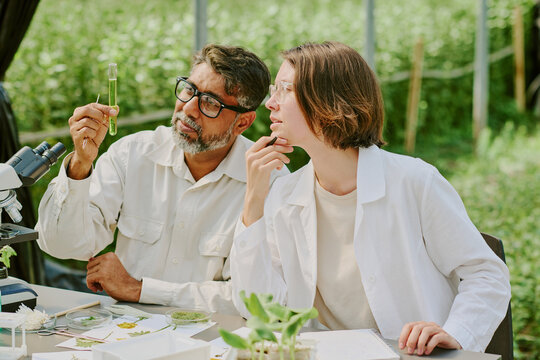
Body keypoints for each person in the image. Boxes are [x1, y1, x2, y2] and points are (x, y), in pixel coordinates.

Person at [230, 41, 511, 354]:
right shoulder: (284, 194)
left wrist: (456, 334)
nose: (271, 103)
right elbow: (258, 306)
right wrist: (254, 199)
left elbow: (486, 275)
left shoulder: (414, 181)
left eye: (284, 89)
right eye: (274, 89)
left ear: (329, 100)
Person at [36, 44, 288, 314]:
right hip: (124, 334)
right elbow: (61, 245)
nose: (189, 108)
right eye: (189, 90)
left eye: (211, 103)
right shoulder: (133, 154)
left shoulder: (268, 181)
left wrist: (139, 289)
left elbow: (255, 299)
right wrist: (80, 165)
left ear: (243, 123)